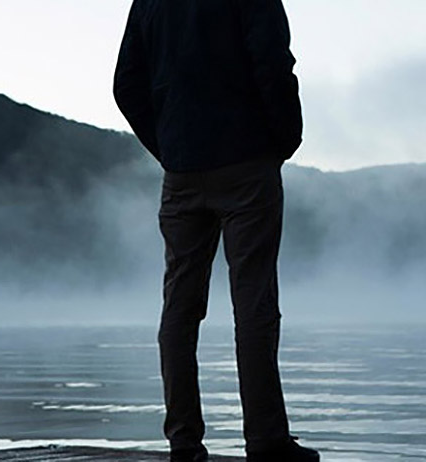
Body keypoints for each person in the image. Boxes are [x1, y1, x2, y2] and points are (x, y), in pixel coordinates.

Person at [113, 1, 320, 461]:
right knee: (254, 304)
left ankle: (184, 443)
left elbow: (126, 85)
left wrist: (169, 146)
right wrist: (284, 140)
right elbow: (273, 63)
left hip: (183, 169)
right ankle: (266, 442)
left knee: (180, 309)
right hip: (247, 162)